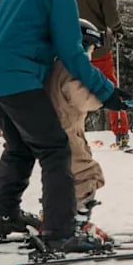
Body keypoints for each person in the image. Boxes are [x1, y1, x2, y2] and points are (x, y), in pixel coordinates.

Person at [0, 0, 132, 253]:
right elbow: (73, 54)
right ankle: (60, 232)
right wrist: (107, 92)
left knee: (19, 147)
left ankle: (4, 215)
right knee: (55, 149)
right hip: (16, 79)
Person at [45, 19, 108, 240]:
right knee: (87, 173)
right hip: (68, 131)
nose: (91, 55)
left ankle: (54, 216)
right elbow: (81, 98)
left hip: (60, 128)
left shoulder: (55, 65)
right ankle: (77, 222)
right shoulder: (70, 69)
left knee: (62, 177)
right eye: (91, 49)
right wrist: (103, 99)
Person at [70, 0, 130, 149]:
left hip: (71, 49)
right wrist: (119, 31)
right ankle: (121, 133)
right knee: (110, 87)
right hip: (99, 49)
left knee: (71, 89)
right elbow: (111, 18)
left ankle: (72, 133)